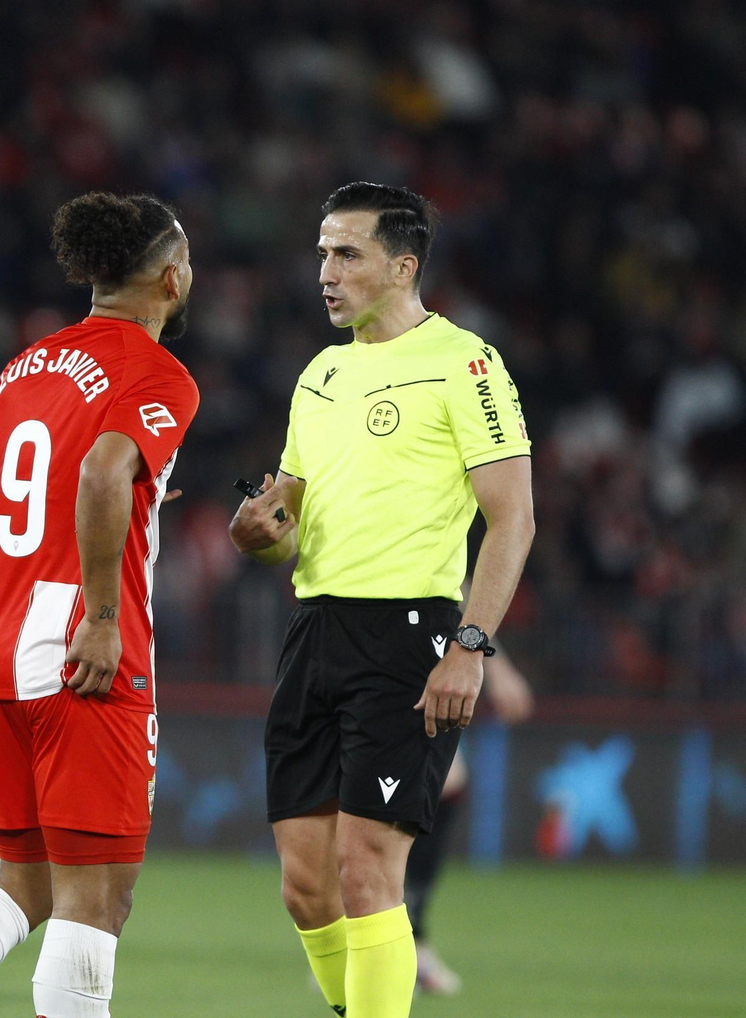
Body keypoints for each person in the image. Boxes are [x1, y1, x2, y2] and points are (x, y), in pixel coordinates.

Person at [228, 182, 535, 1018]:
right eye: (323, 253)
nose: (325, 271)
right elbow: (288, 516)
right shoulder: (321, 373)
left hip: (411, 635)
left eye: (347, 253)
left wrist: (469, 648)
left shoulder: (464, 362)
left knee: (368, 872)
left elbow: (514, 520)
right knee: (306, 889)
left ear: (403, 266)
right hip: (314, 630)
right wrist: (261, 531)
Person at [0, 191, 200, 1018]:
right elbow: (102, 473)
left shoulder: (24, 366)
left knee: (21, 883)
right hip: (78, 642)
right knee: (98, 897)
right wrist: (103, 618)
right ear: (171, 278)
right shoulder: (156, 371)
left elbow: (61, 479)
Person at [406, 635, 534, 995]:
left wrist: (491, 661)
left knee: (443, 782)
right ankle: (372, 942)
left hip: (414, 636)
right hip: (364, 637)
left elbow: (457, 586)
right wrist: (496, 665)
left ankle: (401, 938)